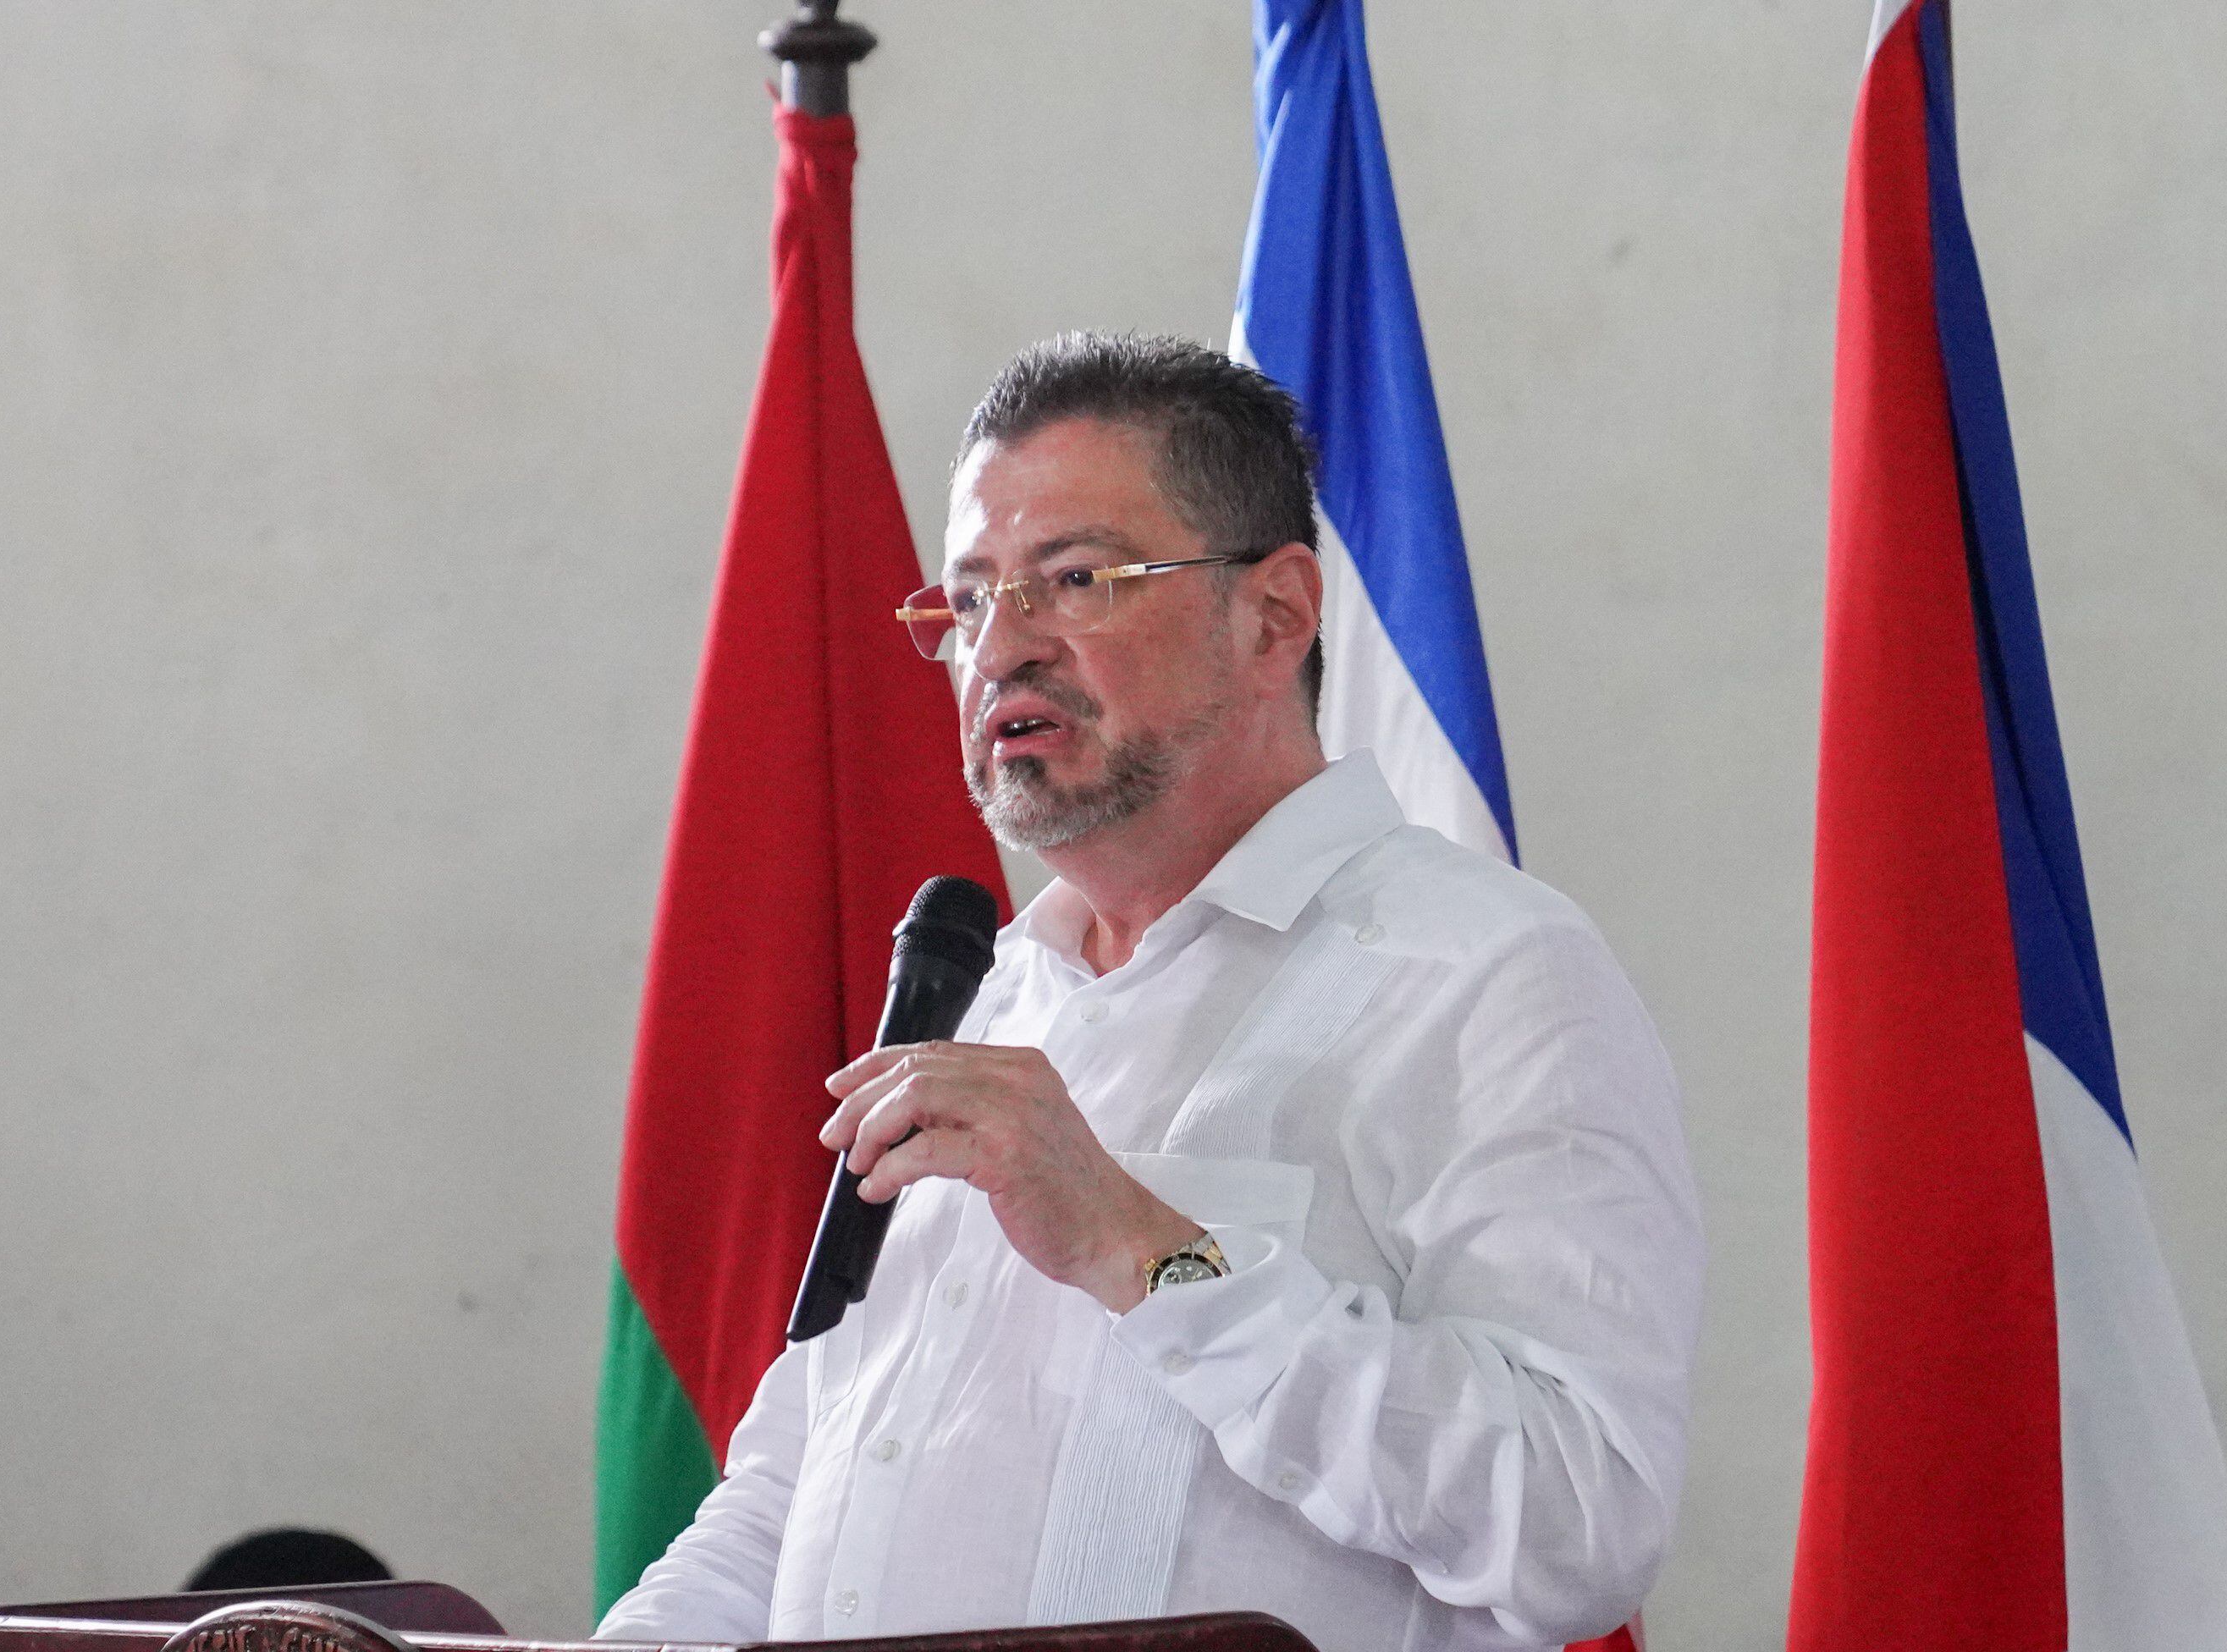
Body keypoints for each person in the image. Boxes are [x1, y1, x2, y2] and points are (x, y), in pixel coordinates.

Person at [596, 333, 1701, 1651]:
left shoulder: (1485, 976)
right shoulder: (994, 1001)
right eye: (969, 600)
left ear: (1274, 615)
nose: (1000, 650)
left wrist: (1141, 1248)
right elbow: (796, 1491)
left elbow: (1578, 1521)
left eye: (1076, 580)